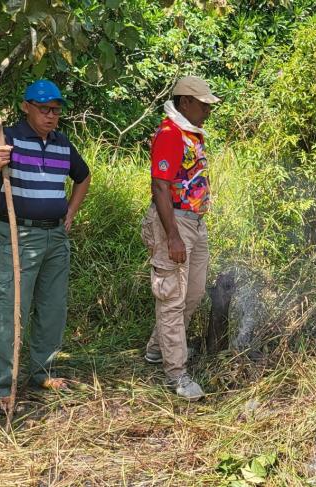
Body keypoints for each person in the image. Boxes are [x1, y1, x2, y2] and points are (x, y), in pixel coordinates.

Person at [0, 79, 92, 412]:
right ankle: (1, 386)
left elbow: (83, 176)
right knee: (12, 309)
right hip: (20, 235)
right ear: (26, 107)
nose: (50, 116)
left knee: (52, 307)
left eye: (55, 110)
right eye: (44, 109)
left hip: (55, 236)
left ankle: (42, 373)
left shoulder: (62, 143)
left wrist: (70, 213)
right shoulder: (10, 138)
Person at [140, 76, 219, 400]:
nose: (208, 111)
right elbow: (160, 186)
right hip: (174, 223)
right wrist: (172, 236)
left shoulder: (190, 132)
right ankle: (177, 374)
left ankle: (158, 349)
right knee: (172, 296)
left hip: (195, 222)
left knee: (194, 293)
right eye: (204, 105)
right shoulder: (170, 134)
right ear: (185, 101)